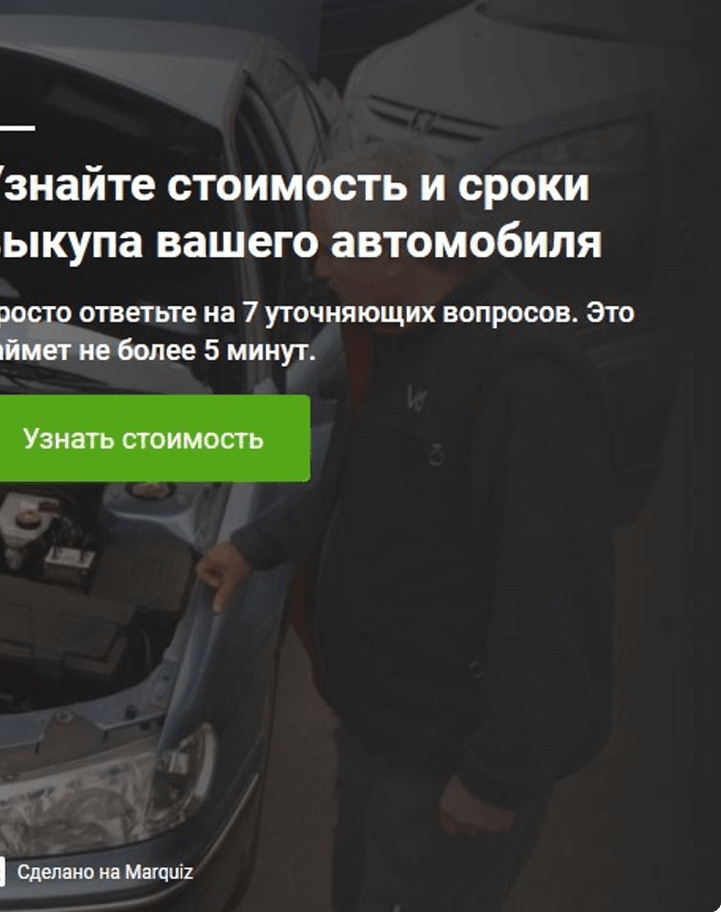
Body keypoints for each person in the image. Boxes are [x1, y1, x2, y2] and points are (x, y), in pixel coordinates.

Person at [195, 142, 614, 912]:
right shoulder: (388, 333)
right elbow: (347, 484)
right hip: (377, 727)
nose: (316, 268)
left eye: (328, 248)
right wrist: (252, 548)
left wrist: (495, 777)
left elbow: (548, 598)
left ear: (392, 255)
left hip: (446, 759)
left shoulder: (525, 378)